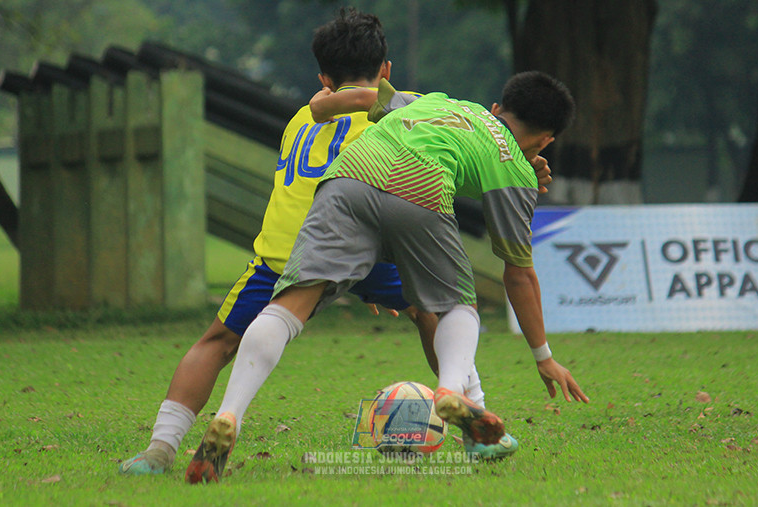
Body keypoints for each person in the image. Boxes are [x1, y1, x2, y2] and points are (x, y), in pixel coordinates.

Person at [119, 8, 510, 476]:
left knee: (217, 341)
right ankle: (478, 428)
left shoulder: (301, 116)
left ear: (323, 75)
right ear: (386, 70)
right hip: (369, 239)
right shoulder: (407, 106)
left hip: (287, 248)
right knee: (437, 310)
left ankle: (160, 449)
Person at [184, 70, 590, 484]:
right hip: (421, 189)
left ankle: (231, 412)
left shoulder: (443, 101)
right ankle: (450, 390)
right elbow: (519, 275)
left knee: (288, 306)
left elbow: (367, 98)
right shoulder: (517, 170)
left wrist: (321, 106)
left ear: (497, 109)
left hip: (347, 178)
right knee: (456, 306)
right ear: (545, 141)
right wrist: (544, 357)